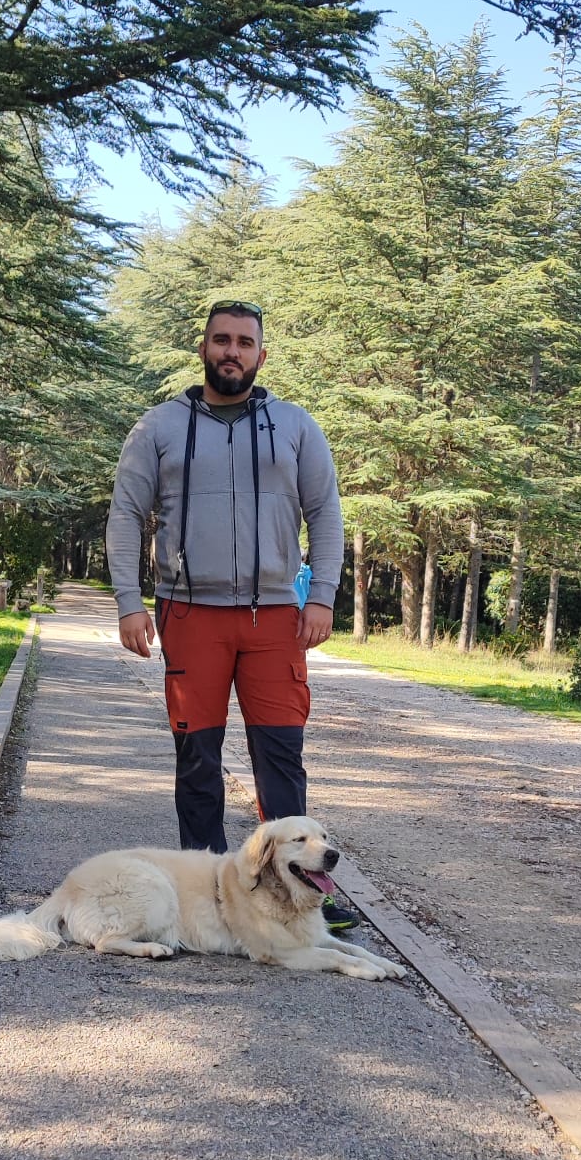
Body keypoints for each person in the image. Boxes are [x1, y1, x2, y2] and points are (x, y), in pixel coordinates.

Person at [105, 298, 358, 931]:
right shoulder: (159, 426)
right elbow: (126, 514)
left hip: (275, 616)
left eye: (244, 342)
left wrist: (322, 595)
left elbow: (325, 512)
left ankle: (300, 897)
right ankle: (208, 898)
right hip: (190, 613)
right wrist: (129, 602)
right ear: (204, 349)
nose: (232, 352)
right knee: (197, 760)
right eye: (222, 340)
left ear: (261, 355)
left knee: (280, 759)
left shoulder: (295, 425)